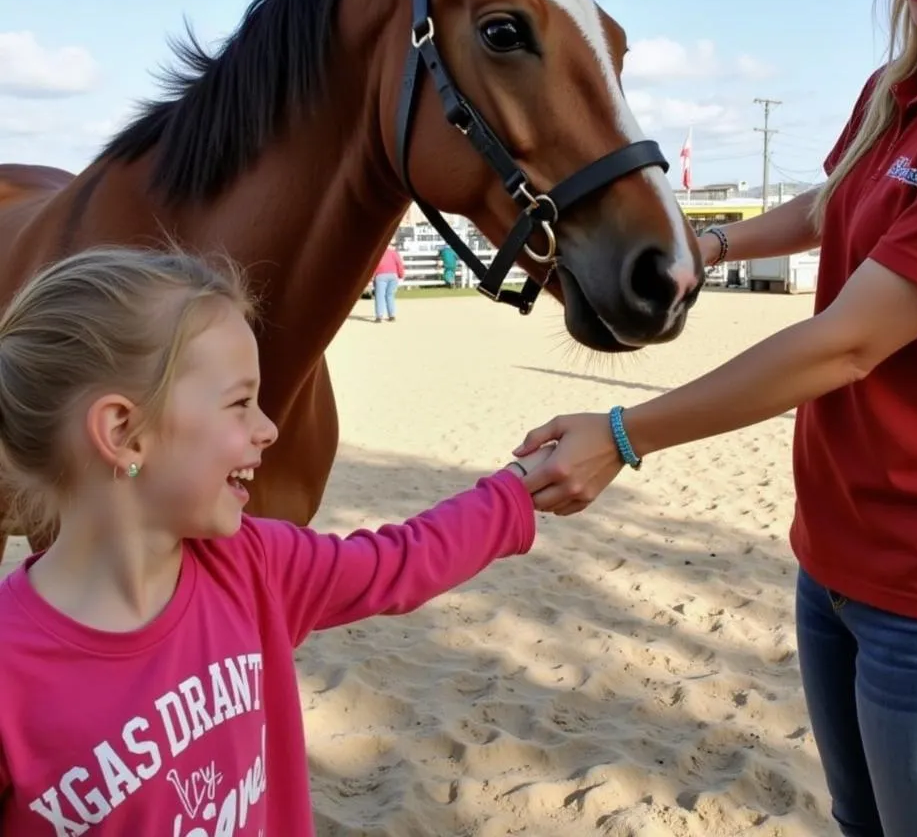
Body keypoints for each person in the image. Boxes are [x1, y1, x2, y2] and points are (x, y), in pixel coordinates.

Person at [514, 0, 917, 833]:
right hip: (832, 554)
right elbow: (829, 201)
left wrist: (624, 434)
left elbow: (847, 339)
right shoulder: (902, 84)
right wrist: (712, 247)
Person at [0, 245, 551, 835]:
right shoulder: (12, 674)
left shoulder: (254, 566)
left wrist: (518, 489)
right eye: (240, 403)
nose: (269, 429)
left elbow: (403, 559)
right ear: (124, 432)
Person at [373, 241, 405, 322]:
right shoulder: (394, 253)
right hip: (393, 276)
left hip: (381, 275)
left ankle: (379, 316)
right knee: (390, 295)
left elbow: (375, 265)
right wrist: (401, 275)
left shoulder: (377, 253)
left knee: (380, 296)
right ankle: (392, 315)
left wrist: (373, 276)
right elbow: (399, 264)